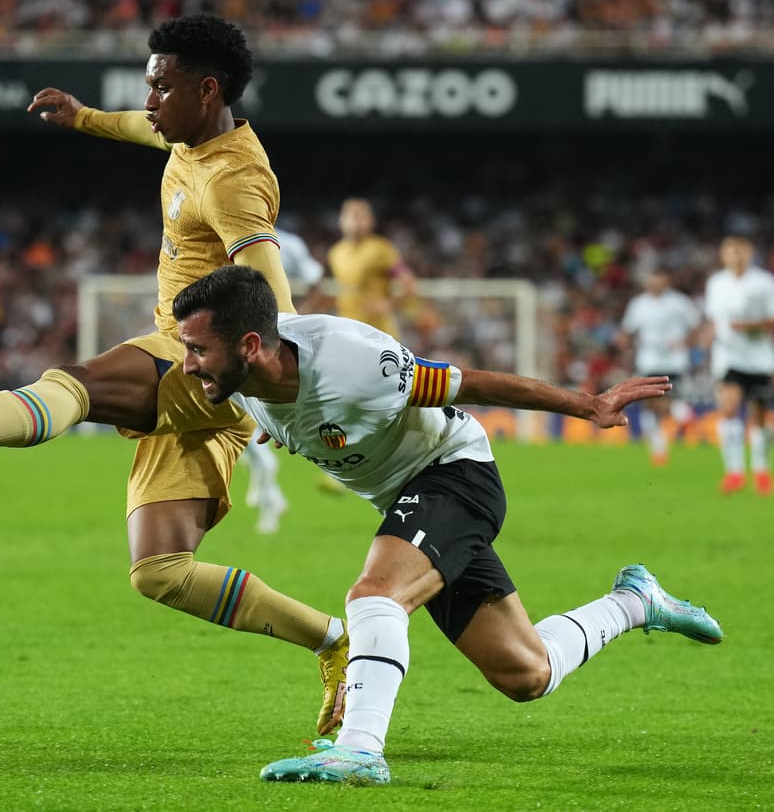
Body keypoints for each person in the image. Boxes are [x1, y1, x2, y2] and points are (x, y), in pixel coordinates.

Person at [0, 15, 349, 736]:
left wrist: (280, 387)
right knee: (161, 572)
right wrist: (82, 117)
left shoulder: (236, 181)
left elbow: (273, 295)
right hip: (207, 376)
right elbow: (142, 130)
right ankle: (334, 640)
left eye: (161, 86)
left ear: (208, 90)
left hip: (208, 364)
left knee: (78, 383)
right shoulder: (188, 135)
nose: (148, 100)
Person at [172, 266, 724, 785]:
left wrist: (587, 405)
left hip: (454, 474)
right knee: (525, 673)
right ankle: (636, 602)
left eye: (199, 350)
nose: (189, 364)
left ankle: (360, 749)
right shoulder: (246, 372)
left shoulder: (357, 365)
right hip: (404, 499)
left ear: (248, 346)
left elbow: (473, 384)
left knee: (375, 594)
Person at [241, 227, 324, 534]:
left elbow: (317, 281)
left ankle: (265, 472)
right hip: (255, 337)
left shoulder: (287, 243)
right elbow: (317, 279)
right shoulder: (228, 231)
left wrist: (300, 319)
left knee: (242, 413)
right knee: (239, 417)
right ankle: (267, 486)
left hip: (266, 341)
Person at [704, 236, 774, 495]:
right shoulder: (716, 283)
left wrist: (751, 325)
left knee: (760, 419)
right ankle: (735, 472)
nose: (736, 256)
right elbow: (714, 320)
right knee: (728, 408)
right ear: (723, 255)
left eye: (740, 251)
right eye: (730, 252)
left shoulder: (764, 282)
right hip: (728, 356)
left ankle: (762, 470)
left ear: (750, 253)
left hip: (759, 357)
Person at [618, 267, 702, 465]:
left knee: (660, 401)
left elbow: (697, 326)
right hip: (648, 361)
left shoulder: (679, 302)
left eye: (659, 280)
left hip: (675, 361)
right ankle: (660, 448)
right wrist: (625, 345)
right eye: (652, 280)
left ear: (667, 281)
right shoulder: (639, 304)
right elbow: (627, 331)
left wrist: (687, 343)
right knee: (649, 405)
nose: (655, 283)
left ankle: (681, 413)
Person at [327, 197, 417, 340]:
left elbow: (409, 283)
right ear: (341, 220)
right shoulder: (336, 253)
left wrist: (388, 304)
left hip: (378, 332)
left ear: (371, 220)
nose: (355, 221)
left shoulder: (381, 249)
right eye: (350, 215)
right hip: (349, 330)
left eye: (360, 216)